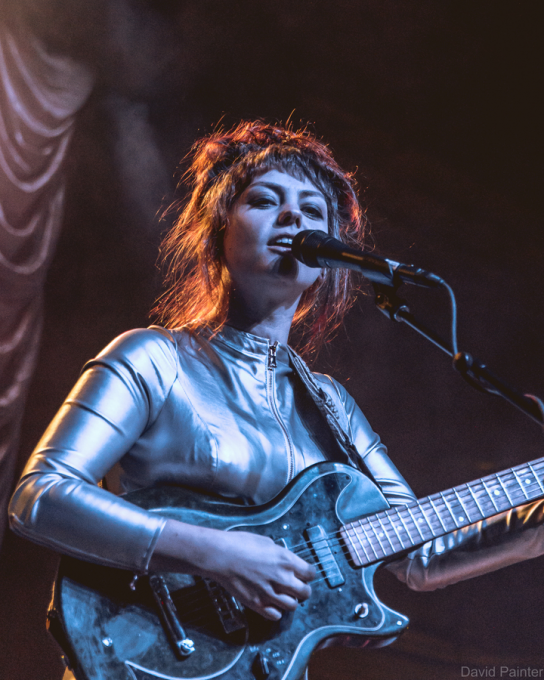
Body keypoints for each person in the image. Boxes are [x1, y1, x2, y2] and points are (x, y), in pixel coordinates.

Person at [9, 121, 544, 680]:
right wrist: (215, 554)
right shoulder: (154, 359)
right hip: (143, 659)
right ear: (218, 231)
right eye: (266, 201)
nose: (296, 219)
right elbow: (40, 497)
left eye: (314, 212)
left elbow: (421, 553)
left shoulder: (332, 407)